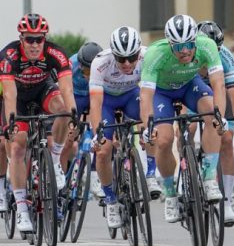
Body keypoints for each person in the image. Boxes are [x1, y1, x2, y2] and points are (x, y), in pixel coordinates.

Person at [139, 14, 228, 223]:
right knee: (163, 139)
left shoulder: (207, 46)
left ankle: (208, 179)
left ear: (195, 40)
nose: (185, 51)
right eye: (178, 47)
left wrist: (220, 116)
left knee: (212, 116)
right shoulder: (155, 54)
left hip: (189, 85)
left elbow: (218, 84)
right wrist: (146, 126)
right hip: (162, 93)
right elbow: (145, 96)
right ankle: (170, 194)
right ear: (170, 44)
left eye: (189, 44)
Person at [0, 14, 77, 232]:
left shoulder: (56, 53)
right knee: (17, 147)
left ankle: (53, 161)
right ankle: (23, 208)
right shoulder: (9, 56)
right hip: (19, 99)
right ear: (21, 38)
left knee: (63, 110)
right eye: (29, 39)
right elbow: (9, 94)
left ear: (45, 39)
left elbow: (67, 89)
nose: (34, 44)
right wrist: (12, 120)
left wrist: (73, 114)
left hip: (43, 91)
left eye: (39, 39)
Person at [89, 26, 159, 228]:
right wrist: (97, 134)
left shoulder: (148, 57)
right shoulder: (101, 63)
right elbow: (96, 104)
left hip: (131, 96)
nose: (127, 63)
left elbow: (148, 96)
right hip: (107, 102)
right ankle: (110, 199)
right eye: (121, 59)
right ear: (113, 54)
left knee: (152, 127)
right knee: (103, 151)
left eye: (132, 57)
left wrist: (147, 127)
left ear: (139, 52)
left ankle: (151, 174)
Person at [196, 21, 234, 225]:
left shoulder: (225, 57)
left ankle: (227, 202)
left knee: (227, 139)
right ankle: (186, 175)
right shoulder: (188, 54)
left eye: (217, 49)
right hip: (193, 90)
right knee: (188, 126)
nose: (213, 53)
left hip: (218, 91)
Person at [60, 41, 104, 198]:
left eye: (92, 71)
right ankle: (60, 181)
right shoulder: (71, 64)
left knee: (99, 134)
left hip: (94, 95)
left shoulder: (104, 64)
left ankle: (93, 175)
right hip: (76, 96)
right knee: (67, 140)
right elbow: (64, 90)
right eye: (85, 70)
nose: (88, 75)